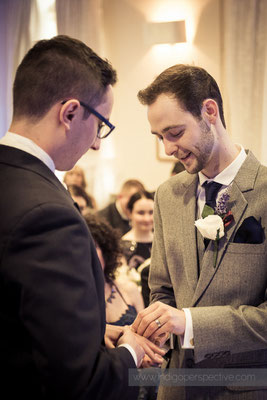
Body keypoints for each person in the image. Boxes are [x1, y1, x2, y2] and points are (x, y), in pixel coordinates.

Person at [0, 35, 163, 400]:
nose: (97, 143)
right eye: (101, 124)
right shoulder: (49, 217)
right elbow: (80, 385)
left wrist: (90, 333)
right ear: (70, 113)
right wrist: (131, 351)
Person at [132, 64, 267, 400]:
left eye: (174, 133)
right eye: (160, 137)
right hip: (175, 388)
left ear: (210, 112)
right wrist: (157, 328)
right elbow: (162, 289)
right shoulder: (166, 194)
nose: (167, 149)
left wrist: (189, 324)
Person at [121, 190, 154, 271]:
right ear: (129, 213)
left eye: (151, 212)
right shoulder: (121, 246)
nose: (147, 219)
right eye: (141, 213)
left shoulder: (163, 244)